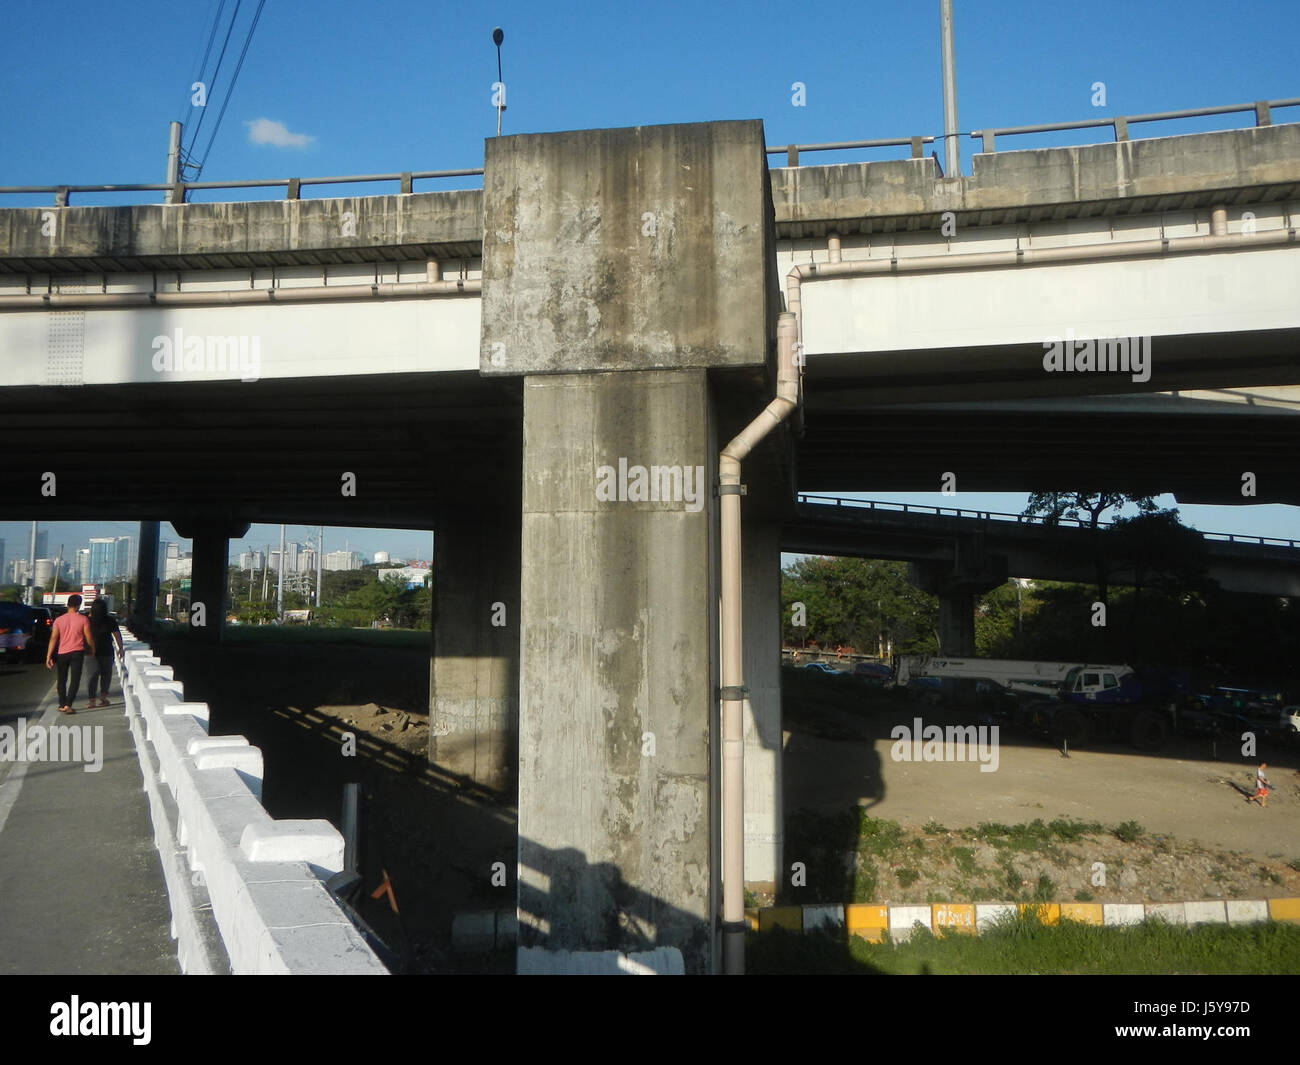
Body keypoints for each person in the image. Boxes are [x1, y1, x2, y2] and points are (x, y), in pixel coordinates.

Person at [45, 594, 96, 714]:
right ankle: (68, 704)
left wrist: (49, 656)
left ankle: (62, 704)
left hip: (62, 653)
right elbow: (89, 638)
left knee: (61, 679)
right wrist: (93, 650)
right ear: (78, 605)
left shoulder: (59, 620)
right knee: (75, 679)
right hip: (77, 652)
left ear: (67, 605)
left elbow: (53, 638)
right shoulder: (83, 619)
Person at [85, 599, 123, 708]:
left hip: (90, 651)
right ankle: (103, 697)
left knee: (91, 676)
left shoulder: (87, 620)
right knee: (106, 675)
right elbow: (117, 635)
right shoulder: (110, 620)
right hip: (106, 651)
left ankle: (91, 701)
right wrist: (120, 648)